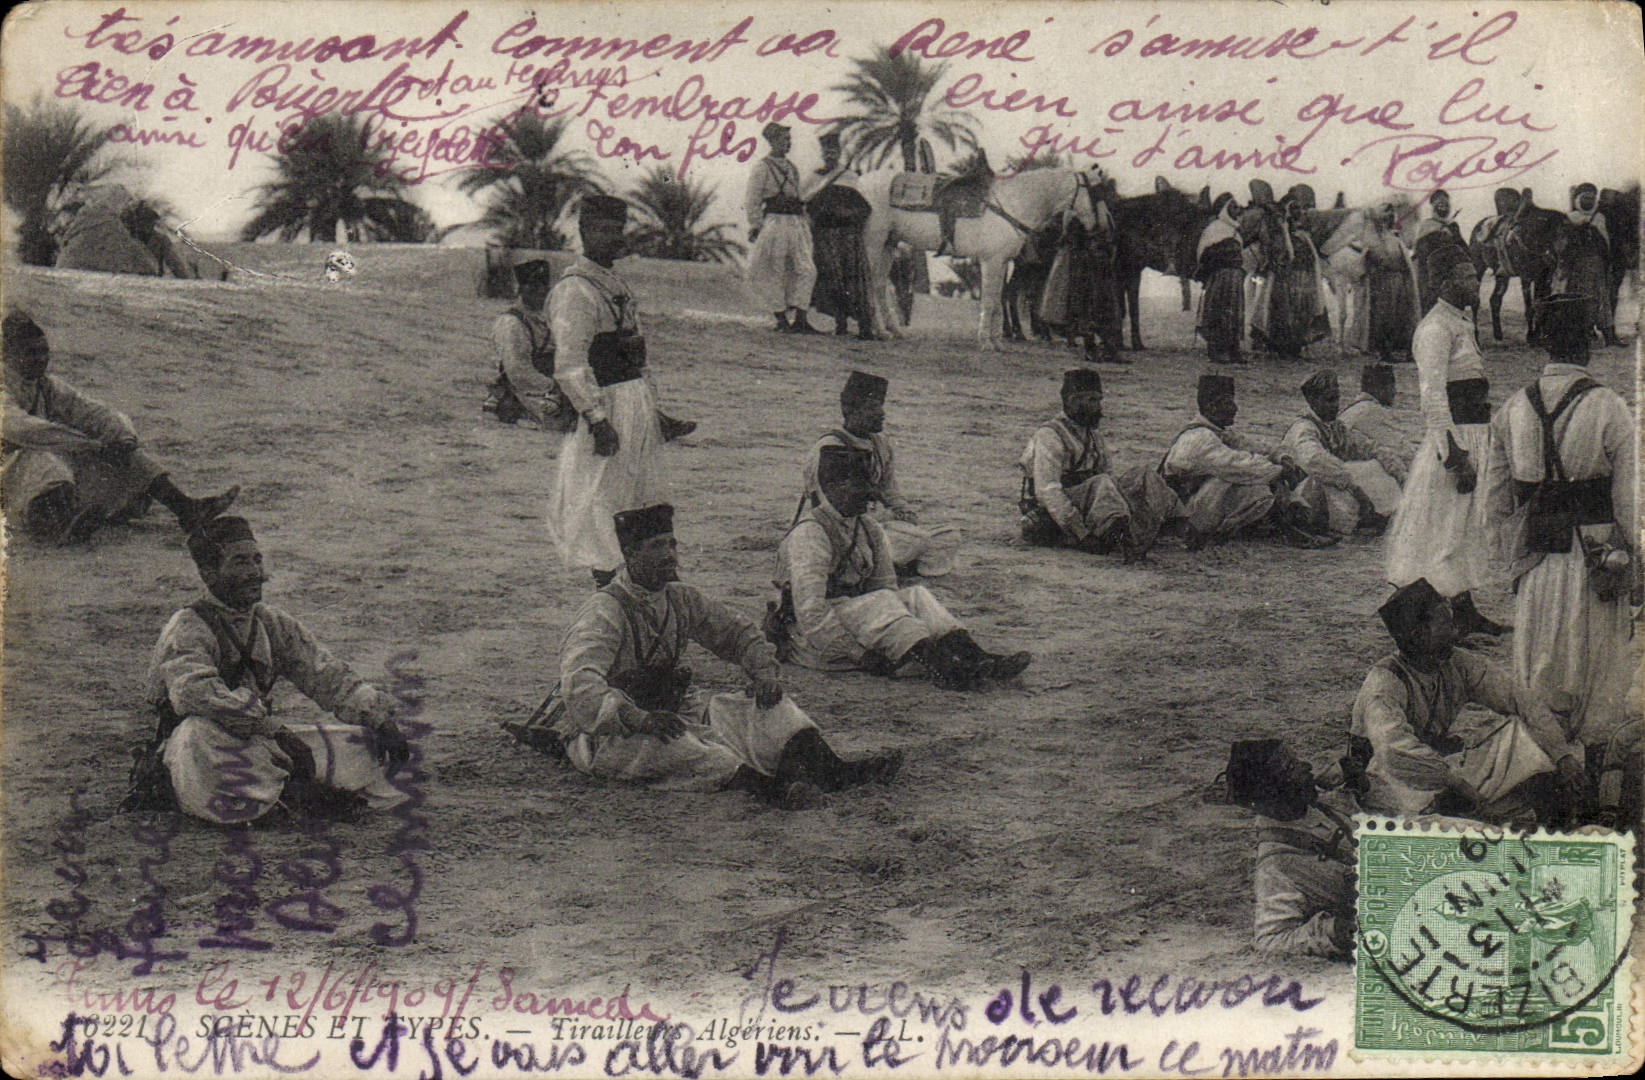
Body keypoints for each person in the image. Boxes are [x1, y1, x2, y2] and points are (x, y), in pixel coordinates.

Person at [536, 504, 901, 807]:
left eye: (672, 544)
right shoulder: (605, 610)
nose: (669, 555)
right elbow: (579, 682)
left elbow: (738, 633)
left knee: (772, 709)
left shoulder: (681, 598)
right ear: (630, 554)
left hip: (674, 713)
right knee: (686, 750)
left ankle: (834, 771)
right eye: (657, 546)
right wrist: (638, 718)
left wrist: (763, 674)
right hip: (612, 734)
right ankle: (774, 792)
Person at [144, 517, 412, 825]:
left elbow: (325, 674)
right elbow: (195, 695)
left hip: (262, 742)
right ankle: (280, 801)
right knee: (197, 735)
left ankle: (286, 794)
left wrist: (378, 719)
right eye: (241, 562)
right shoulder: (187, 627)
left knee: (365, 744)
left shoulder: (272, 622)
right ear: (209, 573)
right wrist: (275, 730)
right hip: (200, 747)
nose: (255, 573)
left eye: (257, 560)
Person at [1487, 294, 1637, 771]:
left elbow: (1496, 502)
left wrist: (1514, 552)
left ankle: (1546, 775)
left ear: (1544, 344)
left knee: (1540, 673)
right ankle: (1594, 783)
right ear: (1590, 342)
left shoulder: (1512, 408)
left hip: (1537, 561)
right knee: (1598, 673)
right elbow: (1630, 503)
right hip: (1596, 560)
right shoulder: (1609, 407)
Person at [773, 445, 1032, 689]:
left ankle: (976, 656)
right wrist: (859, 654)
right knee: (885, 603)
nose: (870, 495)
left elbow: (885, 586)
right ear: (833, 486)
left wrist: (890, 616)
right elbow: (810, 613)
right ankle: (945, 669)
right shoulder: (811, 534)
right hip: (813, 638)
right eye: (860, 485)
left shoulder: (868, 528)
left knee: (916, 596)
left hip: (858, 617)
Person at [546, 195, 695, 586]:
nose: (614, 239)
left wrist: (653, 408)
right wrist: (596, 420)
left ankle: (639, 580)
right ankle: (607, 582)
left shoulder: (613, 283)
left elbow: (637, 351)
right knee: (602, 495)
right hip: (606, 403)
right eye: (604, 230)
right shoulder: (575, 290)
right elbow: (570, 364)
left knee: (640, 491)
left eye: (618, 230)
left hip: (634, 401)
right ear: (584, 232)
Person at [1350, 579, 1585, 825]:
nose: (1456, 632)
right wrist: (1455, 783)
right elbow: (1392, 752)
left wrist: (1562, 756)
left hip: (1439, 769)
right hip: (1388, 781)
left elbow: (1520, 699)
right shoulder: (1384, 682)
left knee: (1526, 737)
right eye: (1445, 625)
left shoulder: (1458, 663)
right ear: (1418, 635)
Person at [2, 312, 239, 544]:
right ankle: (55, 528)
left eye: (44, 352)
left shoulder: (46, 386)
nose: (41, 359)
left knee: (122, 456)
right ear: (8, 355)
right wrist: (90, 445)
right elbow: (22, 430)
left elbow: (90, 411)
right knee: (45, 461)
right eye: (31, 353)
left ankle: (186, 508)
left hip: (34, 465)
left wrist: (121, 437)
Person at [1384, 246, 1507, 638]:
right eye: (1468, 276)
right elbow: (1433, 397)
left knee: (1465, 527)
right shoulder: (1435, 329)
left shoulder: (1461, 322)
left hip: (1475, 435)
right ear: (1446, 282)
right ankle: (1427, 624)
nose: (1476, 282)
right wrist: (1454, 455)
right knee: (1441, 532)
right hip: (1454, 442)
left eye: (1475, 275)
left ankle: (1465, 612)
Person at [797, 371, 957, 577]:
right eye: (873, 407)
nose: (882, 413)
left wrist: (905, 513)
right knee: (917, 540)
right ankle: (888, 565)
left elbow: (890, 491)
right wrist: (888, 518)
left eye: (882, 405)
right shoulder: (830, 449)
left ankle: (891, 565)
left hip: (880, 526)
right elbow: (836, 510)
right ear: (851, 411)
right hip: (841, 531)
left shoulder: (880, 445)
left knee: (949, 535)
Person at [1019, 369, 1179, 559]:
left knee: (1143, 475)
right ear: (1072, 401)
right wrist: (1082, 534)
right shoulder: (1049, 435)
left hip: (1092, 502)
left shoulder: (1093, 435)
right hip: (1056, 510)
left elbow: (1109, 474)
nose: (1099, 407)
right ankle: (1122, 539)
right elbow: (1048, 492)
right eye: (1092, 401)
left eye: (1099, 400)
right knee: (1102, 483)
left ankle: (1178, 526)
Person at [1160, 373, 1330, 548]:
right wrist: (1279, 471)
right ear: (1212, 406)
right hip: (1185, 516)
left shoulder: (1218, 432)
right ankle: (1290, 529)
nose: (1235, 408)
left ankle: (1287, 525)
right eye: (1228, 403)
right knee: (1245, 482)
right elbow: (1239, 465)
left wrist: (1282, 458)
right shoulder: (1198, 438)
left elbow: (1257, 447)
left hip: (1199, 505)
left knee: (1255, 478)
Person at [1224, 739, 1358, 960]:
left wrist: (1359, 787)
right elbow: (1270, 940)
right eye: (1291, 768)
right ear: (1272, 791)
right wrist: (1332, 931)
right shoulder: (1276, 866)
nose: (1306, 766)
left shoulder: (1318, 807)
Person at [1277, 370, 1402, 536]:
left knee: (1374, 465)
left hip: (1330, 488)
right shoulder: (1304, 429)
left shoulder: (1335, 428)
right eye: (1329, 400)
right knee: (1339, 476)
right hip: (1301, 494)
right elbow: (1316, 462)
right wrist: (1356, 490)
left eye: (1336, 399)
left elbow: (1369, 448)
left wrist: (1401, 475)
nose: (1334, 406)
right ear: (1312, 401)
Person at [745, 123, 819, 334]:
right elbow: (753, 200)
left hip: (796, 223)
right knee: (775, 269)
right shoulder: (762, 168)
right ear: (773, 140)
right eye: (785, 139)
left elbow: (798, 197)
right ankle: (781, 319)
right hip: (775, 224)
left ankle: (801, 319)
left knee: (806, 269)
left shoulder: (792, 168)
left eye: (789, 139)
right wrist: (756, 225)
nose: (788, 143)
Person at [805, 132, 875, 339]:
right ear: (822, 153)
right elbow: (805, 204)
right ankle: (841, 323)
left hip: (849, 236)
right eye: (826, 151)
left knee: (855, 281)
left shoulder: (850, 177)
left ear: (839, 153)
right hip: (825, 235)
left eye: (834, 151)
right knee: (832, 280)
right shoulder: (814, 177)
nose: (830, 155)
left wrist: (848, 215)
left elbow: (865, 208)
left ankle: (865, 327)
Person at [488, 259, 569, 429]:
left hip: (555, 384)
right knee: (563, 423)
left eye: (543, 287)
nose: (539, 292)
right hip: (527, 389)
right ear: (520, 289)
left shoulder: (549, 317)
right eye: (532, 287)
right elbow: (518, 371)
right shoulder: (511, 323)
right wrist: (554, 386)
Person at [1250, 190, 1328, 359]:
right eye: (1295, 208)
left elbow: (1312, 259)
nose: (1300, 212)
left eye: (1300, 208)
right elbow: (1286, 257)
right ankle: (1283, 348)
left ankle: (1296, 347)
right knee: (1285, 314)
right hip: (1285, 282)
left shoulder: (1303, 235)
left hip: (1304, 281)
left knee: (1302, 314)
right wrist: (1284, 231)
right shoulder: (1279, 235)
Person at [1560, 183, 1622, 348]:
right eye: (1585, 198)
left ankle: (1610, 337)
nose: (1588, 201)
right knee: (1580, 300)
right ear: (1578, 200)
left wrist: (1607, 262)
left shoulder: (1600, 218)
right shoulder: (1570, 218)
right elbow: (1564, 245)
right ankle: (1582, 335)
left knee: (1603, 299)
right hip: (1578, 266)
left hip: (1598, 264)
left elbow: (1606, 242)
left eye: (1591, 198)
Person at [1193, 193, 1246, 365]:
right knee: (1218, 311)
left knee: (1234, 312)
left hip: (1235, 277)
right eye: (1233, 206)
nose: (1237, 210)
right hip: (1220, 277)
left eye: (1237, 207)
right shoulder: (1215, 228)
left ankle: (1233, 349)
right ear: (1225, 209)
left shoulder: (1236, 230)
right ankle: (1216, 350)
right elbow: (1203, 253)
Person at [1340, 363, 1410, 486]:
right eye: (1391, 386)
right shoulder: (1372, 410)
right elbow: (1402, 451)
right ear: (1378, 388)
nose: (1394, 392)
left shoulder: (1352, 409)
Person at [1410, 189, 1470, 316]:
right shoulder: (1427, 226)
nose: (1443, 207)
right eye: (1439, 204)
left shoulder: (1453, 226)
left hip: (1451, 276)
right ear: (1433, 206)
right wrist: (1439, 236)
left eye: (1446, 204)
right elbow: (1421, 252)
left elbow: (1463, 249)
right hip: (1431, 277)